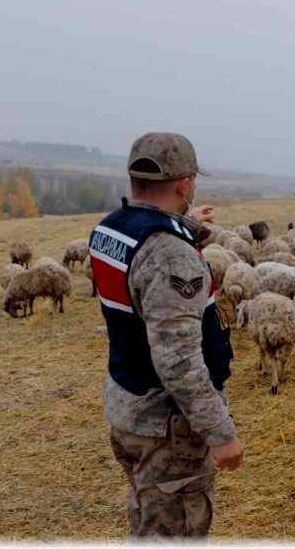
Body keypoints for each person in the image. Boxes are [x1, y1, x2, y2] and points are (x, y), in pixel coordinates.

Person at [89, 132, 243, 539]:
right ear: (185, 183)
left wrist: (187, 225)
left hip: (129, 406)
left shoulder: (111, 229)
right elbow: (178, 361)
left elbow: (145, 262)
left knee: (148, 518)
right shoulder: (170, 255)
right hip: (167, 428)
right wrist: (220, 432)